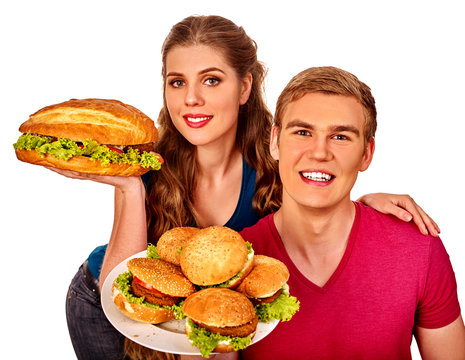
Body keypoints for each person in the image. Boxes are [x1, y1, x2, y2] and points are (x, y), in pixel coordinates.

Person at [54, 16, 440, 360]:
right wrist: (129, 190)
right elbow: (119, 294)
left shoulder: (277, 164)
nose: (191, 98)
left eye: (211, 79)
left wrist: (363, 205)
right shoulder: (147, 163)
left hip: (198, 325)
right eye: (177, 82)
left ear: (243, 88)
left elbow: (316, 212)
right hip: (104, 301)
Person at [233, 66, 465, 359]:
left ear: (366, 153)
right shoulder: (237, 263)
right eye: (303, 132)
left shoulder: (419, 250)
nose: (319, 153)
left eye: (340, 137)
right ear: (275, 141)